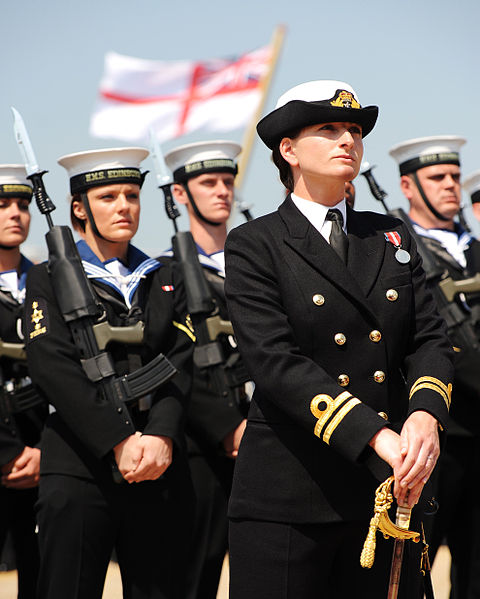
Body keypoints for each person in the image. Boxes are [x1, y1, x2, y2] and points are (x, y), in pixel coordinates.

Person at [223, 80, 455, 599]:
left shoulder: (389, 235)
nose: (347, 140)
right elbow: (275, 363)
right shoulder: (254, 243)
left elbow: (429, 339)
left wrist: (424, 415)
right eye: (328, 129)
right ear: (288, 150)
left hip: (389, 486)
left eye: (353, 130)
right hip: (290, 494)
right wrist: (376, 436)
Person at [24, 148, 194, 599]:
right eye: (108, 197)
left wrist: (160, 435)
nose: (123, 207)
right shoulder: (48, 278)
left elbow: (180, 358)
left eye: (132, 195)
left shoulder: (162, 274)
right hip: (81, 464)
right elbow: (52, 366)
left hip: (157, 463)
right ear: (79, 208)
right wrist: (118, 439)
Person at [390, 136, 480, 598]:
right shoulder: (398, 253)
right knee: (415, 564)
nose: (451, 186)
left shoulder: (475, 247)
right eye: (437, 178)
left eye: (454, 176)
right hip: (436, 432)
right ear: (407, 186)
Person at [161, 141, 248, 599]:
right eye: (208, 183)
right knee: (195, 578)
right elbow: (173, 362)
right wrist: (228, 428)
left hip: (266, 433)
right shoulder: (164, 272)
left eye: (228, 182)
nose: (222, 192)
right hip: (203, 443)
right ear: (179, 194)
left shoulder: (256, 263)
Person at [0, 165, 46, 599]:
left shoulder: (47, 282)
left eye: (22, 204)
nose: (16, 213)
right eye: (2, 205)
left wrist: (42, 451)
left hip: (44, 457)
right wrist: (8, 453)